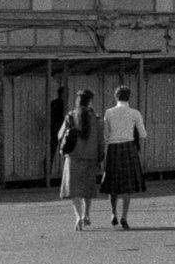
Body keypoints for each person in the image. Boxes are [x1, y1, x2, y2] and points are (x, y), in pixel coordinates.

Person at [100, 85, 148, 229]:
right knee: (128, 185)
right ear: (129, 97)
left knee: (112, 182)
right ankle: (124, 217)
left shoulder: (108, 112)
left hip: (113, 149)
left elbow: (106, 135)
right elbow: (143, 134)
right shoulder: (135, 113)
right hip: (129, 148)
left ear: (116, 97)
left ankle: (113, 213)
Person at [57, 89, 105, 229]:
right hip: (91, 157)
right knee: (87, 188)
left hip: (73, 157)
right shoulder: (96, 118)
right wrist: (100, 156)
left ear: (78, 100)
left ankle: (78, 216)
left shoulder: (70, 116)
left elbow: (60, 135)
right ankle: (87, 215)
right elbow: (101, 140)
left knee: (74, 189)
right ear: (90, 101)